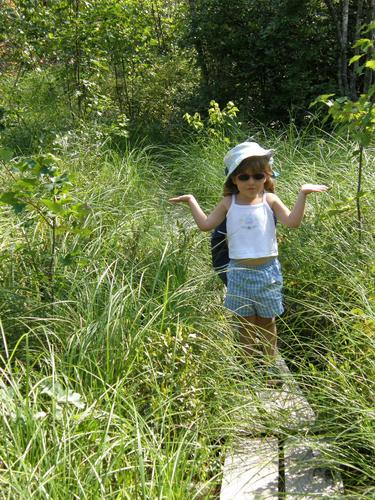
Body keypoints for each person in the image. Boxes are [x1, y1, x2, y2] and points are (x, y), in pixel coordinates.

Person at [169, 141, 329, 382]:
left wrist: (302, 193)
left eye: (258, 175)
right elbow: (205, 225)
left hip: (268, 272)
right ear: (234, 180)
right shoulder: (228, 203)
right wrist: (191, 200)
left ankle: (269, 365)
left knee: (267, 322)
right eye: (244, 177)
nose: (251, 182)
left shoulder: (270, 200)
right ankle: (247, 368)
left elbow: (292, 222)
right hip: (239, 272)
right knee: (245, 324)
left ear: (267, 176)